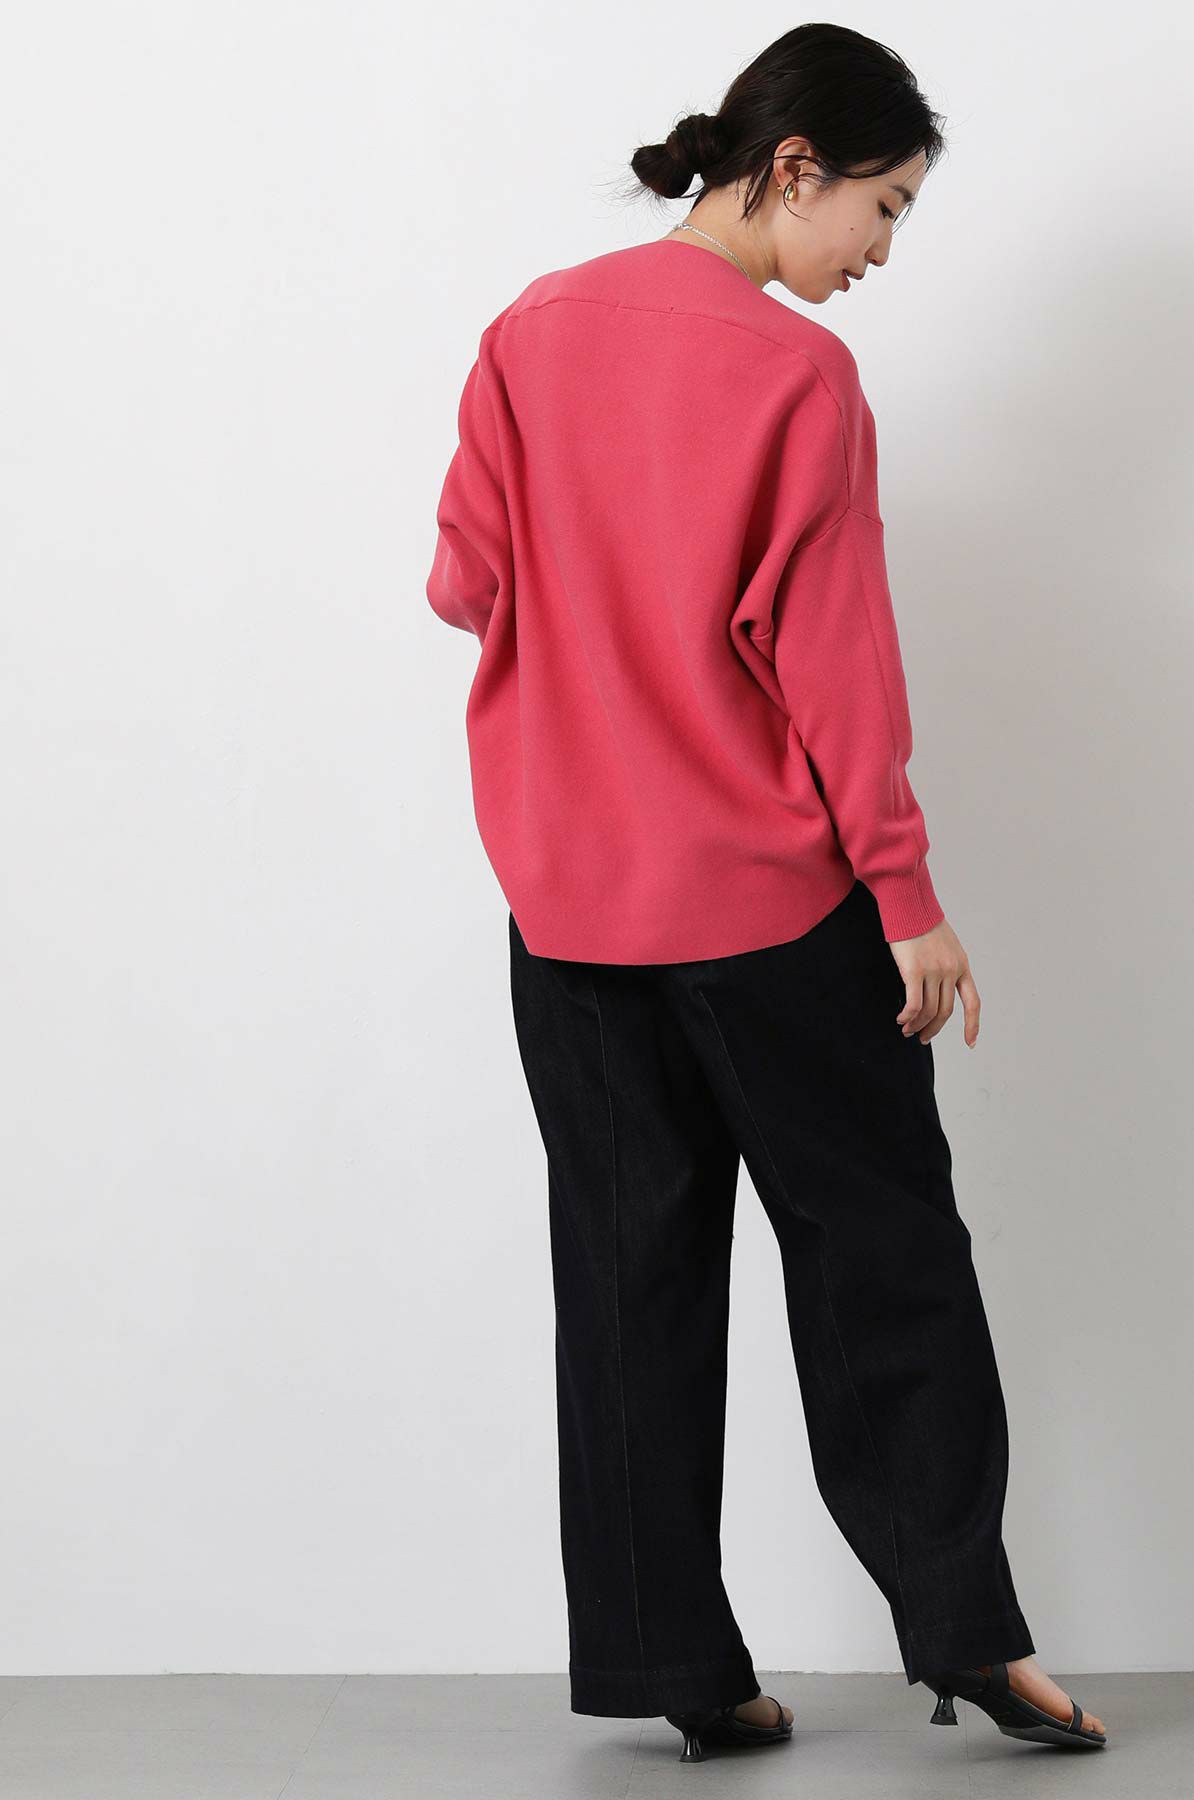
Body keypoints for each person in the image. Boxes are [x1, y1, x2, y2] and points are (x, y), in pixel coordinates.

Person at [424, 20, 1106, 1764]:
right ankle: (970, 1638)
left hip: (567, 910)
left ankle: (676, 1668)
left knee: (629, 1285)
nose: (883, 248)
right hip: (770, 909)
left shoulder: (526, 331)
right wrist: (907, 896)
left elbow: (464, 586)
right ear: (793, 167)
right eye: (884, 205)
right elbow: (836, 668)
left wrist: (599, 620)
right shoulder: (797, 379)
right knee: (885, 1264)